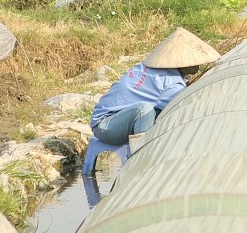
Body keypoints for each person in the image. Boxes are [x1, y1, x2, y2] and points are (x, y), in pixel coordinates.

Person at [89, 28, 220, 150]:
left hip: (114, 118)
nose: (197, 64)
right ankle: (142, 154)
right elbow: (181, 109)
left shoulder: (148, 68)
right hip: (105, 126)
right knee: (145, 110)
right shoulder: (170, 83)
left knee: (152, 110)